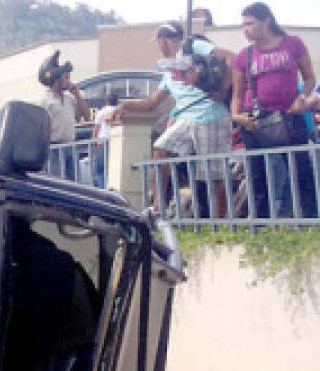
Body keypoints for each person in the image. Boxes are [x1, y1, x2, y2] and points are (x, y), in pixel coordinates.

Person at [111, 21, 233, 219]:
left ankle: (221, 220)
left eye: (159, 42)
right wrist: (125, 105)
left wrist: (222, 90)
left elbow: (231, 58)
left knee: (213, 174)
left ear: (164, 41)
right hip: (187, 118)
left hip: (211, 115)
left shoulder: (192, 47)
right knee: (160, 148)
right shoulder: (168, 71)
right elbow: (152, 102)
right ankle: (159, 206)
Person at [230, 2, 317, 218]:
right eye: (243, 24)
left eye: (250, 23)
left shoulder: (292, 44)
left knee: (300, 169)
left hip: (289, 116)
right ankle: (260, 224)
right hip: (255, 119)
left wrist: (302, 98)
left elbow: (309, 78)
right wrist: (237, 116)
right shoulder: (244, 55)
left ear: (266, 20)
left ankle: (310, 220)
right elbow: (238, 95)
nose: (245, 29)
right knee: (258, 173)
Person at [38, 51, 89, 180]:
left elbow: (86, 116)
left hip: (70, 146)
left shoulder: (69, 99)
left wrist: (77, 94)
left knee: (75, 182)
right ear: (57, 79)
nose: (69, 81)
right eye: (66, 77)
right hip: (54, 149)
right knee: (57, 181)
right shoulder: (45, 101)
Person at [92, 93, 120, 188]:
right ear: (117, 101)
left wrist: (94, 142)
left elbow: (96, 129)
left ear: (106, 101)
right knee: (114, 168)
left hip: (102, 141)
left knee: (101, 170)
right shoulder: (119, 112)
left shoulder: (101, 112)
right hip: (116, 141)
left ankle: (102, 190)